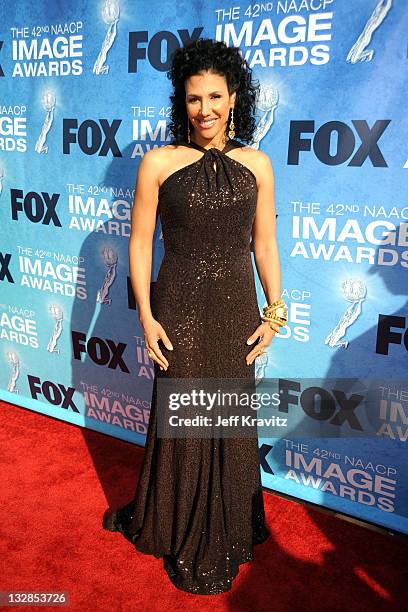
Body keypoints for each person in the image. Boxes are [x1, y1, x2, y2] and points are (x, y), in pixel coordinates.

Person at [103, 38, 287, 595]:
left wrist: (275, 311)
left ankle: (226, 532)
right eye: (192, 98)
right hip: (178, 306)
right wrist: (146, 316)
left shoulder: (257, 163)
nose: (204, 109)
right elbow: (139, 245)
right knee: (185, 418)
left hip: (235, 307)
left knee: (227, 420)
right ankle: (181, 529)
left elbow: (266, 244)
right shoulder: (159, 163)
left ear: (234, 98)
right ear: (180, 103)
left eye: (214, 96)